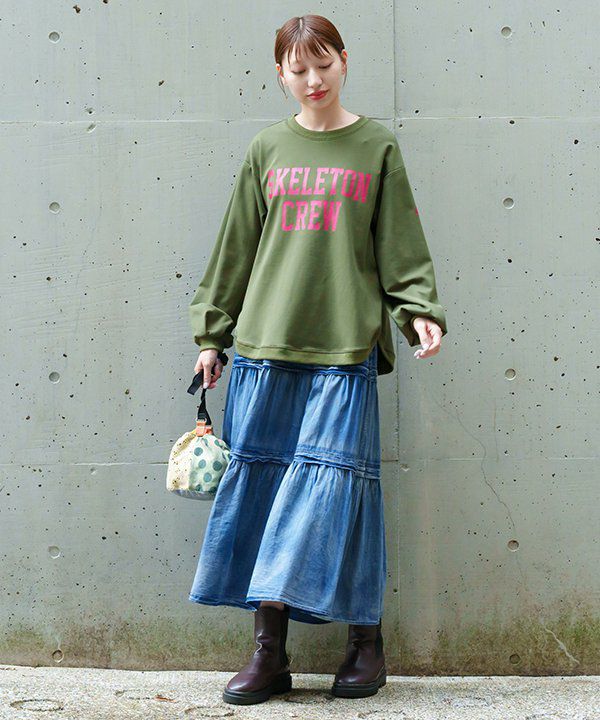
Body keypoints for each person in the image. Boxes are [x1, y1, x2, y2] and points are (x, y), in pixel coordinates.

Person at [187, 14, 448, 706]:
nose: (313, 80)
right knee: (265, 496)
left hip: (344, 347)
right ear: (280, 74)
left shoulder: (376, 146)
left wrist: (417, 310)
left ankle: (366, 644)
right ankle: (269, 653)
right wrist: (212, 335)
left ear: (344, 62)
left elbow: (400, 246)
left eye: (323, 64)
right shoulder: (267, 148)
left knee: (344, 497)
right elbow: (235, 247)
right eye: (298, 69)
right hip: (265, 348)